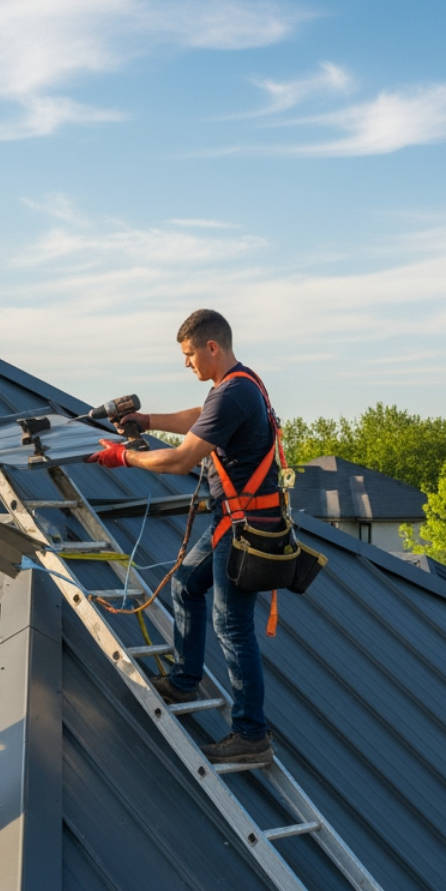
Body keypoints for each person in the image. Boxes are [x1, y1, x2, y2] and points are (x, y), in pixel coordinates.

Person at [87, 309, 281, 765]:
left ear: (211, 347)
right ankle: (184, 679)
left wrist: (124, 457)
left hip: (243, 526)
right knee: (185, 585)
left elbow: (180, 461)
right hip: (237, 521)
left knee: (231, 625)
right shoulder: (238, 384)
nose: (186, 364)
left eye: (189, 354)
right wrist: (147, 419)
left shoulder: (233, 392)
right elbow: (200, 416)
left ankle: (251, 735)